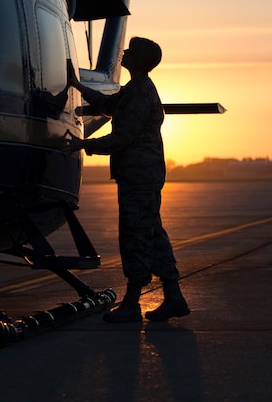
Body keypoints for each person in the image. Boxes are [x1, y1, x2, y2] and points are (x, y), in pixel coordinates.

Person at [65, 37, 189, 323]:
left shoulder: (141, 92)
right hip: (141, 175)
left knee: (135, 236)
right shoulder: (136, 89)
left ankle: (132, 303)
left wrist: (83, 146)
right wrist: (78, 85)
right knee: (153, 235)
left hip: (139, 177)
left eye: (131, 52)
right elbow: (109, 104)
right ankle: (174, 297)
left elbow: (122, 138)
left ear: (139, 59)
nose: (124, 53)